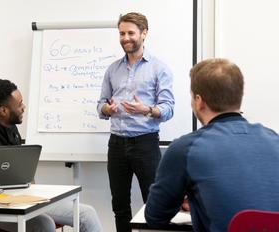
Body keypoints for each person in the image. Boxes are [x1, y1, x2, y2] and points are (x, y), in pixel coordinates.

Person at [145, 58, 279, 231]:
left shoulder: (185, 149)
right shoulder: (274, 140)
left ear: (199, 101)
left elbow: (155, 217)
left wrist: (192, 200)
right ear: (238, 98)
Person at [0, 79, 103, 232]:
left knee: (87, 214)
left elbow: (21, 170)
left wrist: (33, 189)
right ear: (3, 111)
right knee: (44, 224)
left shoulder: (11, 127)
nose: (23, 108)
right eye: (19, 104)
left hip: (23, 198)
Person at [96, 12, 175, 232]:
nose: (125, 38)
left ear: (144, 33)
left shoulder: (159, 68)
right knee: (119, 206)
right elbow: (100, 104)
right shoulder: (112, 69)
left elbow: (169, 109)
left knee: (154, 205)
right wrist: (107, 109)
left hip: (145, 143)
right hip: (116, 144)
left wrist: (147, 110)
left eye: (130, 33)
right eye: (122, 33)